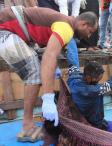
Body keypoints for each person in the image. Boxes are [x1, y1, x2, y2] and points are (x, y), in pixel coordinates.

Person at [0, 6, 98, 142]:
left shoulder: (64, 23)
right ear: (83, 24)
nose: (88, 36)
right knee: (34, 72)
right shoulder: (66, 28)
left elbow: (50, 52)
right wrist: (48, 98)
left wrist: (54, 68)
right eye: (90, 31)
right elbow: (49, 56)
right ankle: (27, 125)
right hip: (4, 29)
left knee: (41, 67)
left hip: (17, 32)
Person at [67, 39, 112, 134]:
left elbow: (72, 58)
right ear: (88, 77)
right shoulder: (93, 90)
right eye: (97, 80)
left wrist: (70, 39)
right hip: (94, 125)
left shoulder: (74, 78)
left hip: (87, 119)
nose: (98, 82)